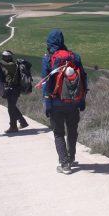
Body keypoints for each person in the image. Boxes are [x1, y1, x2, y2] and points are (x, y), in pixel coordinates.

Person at [41, 29, 87, 175]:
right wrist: (82, 100)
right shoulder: (75, 57)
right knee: (72, 131)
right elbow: (83, 79)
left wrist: (47, 103)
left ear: (50, 43)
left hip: (56, 103)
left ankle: (65, 164)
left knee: (59, 133)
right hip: (73, 102)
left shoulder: (49, 58)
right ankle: (71, 157)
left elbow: (45, 82)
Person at [0, 50, 28, 133]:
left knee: (11, 108)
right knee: (12, 107)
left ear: (8, 57)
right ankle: (23, 122)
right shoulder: (9, 64)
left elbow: (3, 64)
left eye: (4, 56)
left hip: (13, 89)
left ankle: (13, 127)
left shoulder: (12, 65)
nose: (3, 58)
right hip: (12, 89)